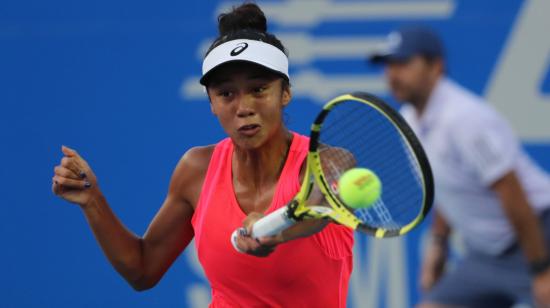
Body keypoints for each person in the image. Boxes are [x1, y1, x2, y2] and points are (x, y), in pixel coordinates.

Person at [52, 3, 353, 307]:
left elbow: (317, 208)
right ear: (211, 102)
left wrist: (279, 231)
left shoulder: (329, 163)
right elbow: (142, 269)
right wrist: (93, 201)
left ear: (285, 92)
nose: (243, 107)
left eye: (259, 89)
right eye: (226, 94)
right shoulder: (196, 169)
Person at [370, 26, 550, 307]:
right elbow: (446, 186)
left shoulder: (465, 119)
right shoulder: (410, 121)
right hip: (486, 255)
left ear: (436, 67)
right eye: (388, 66)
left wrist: (541, 271)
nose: (392, 75)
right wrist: (438, 245)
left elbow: (513, 194)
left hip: (539, 236)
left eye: (403, 64)